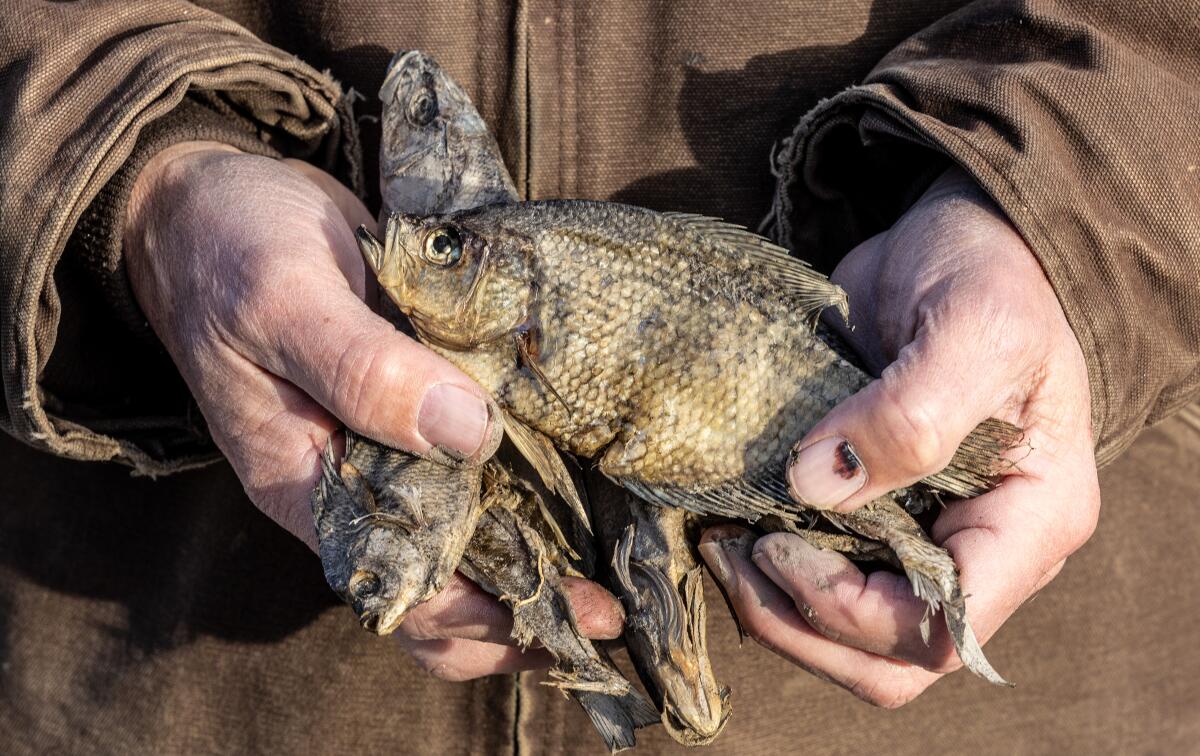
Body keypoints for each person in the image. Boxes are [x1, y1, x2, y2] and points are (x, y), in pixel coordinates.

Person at [1, 1, 1197, 753]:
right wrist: (135, 185)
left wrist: (1066, 226)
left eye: (447, 260)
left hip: (1027, 699)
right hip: (189, 678)